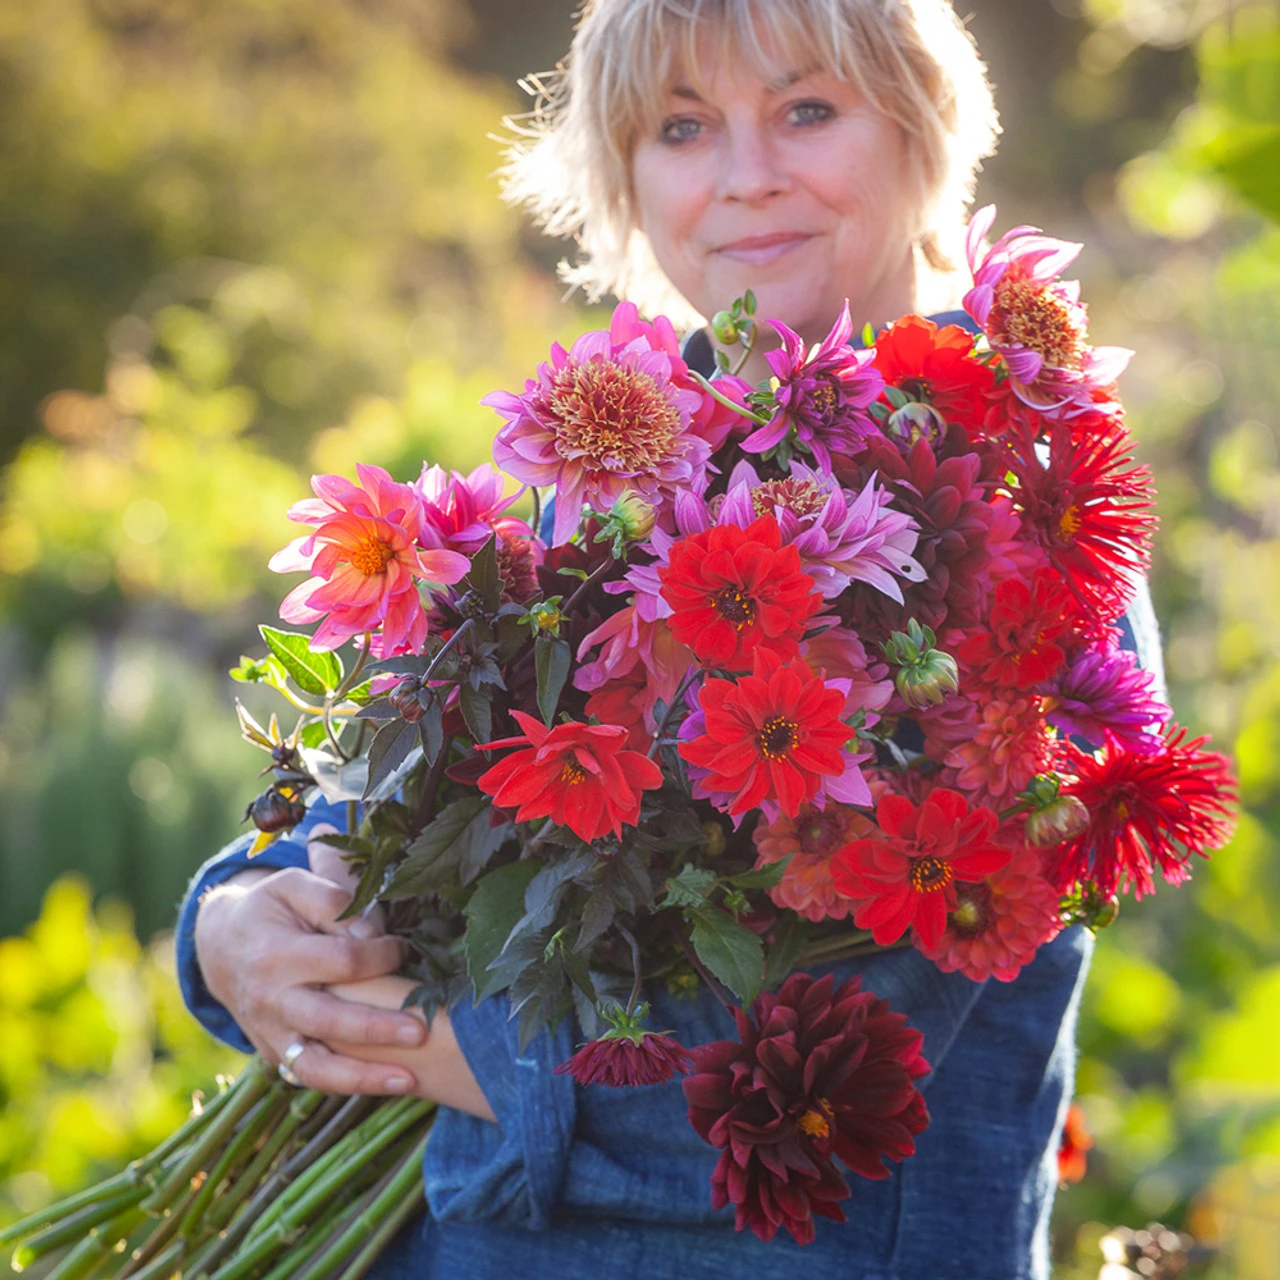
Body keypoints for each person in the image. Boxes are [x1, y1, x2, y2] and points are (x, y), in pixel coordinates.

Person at [176, 1, 1166, 1276]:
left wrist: (427, 1045)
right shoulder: (606, 464)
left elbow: (866, 1032)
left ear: (924, 129)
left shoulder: (1019, 504)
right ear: (625, 178)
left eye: (805, 110)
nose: (746, 175)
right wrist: (242, 919)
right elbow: (385, 782)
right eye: (682, 128)